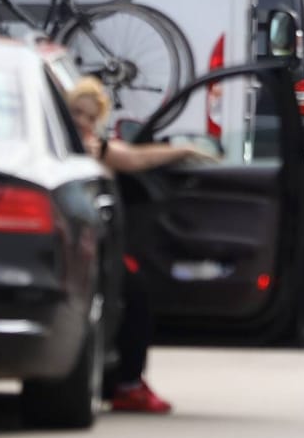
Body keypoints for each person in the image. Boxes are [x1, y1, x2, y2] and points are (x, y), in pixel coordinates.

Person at [66, 76, 211, 414]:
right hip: (78, 249)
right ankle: (128, 383)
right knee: (136, 295)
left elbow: (136, 157)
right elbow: (131, 158)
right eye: (76, 112)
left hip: (100, 247)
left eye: (89, 117)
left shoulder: (97, 148)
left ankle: (126, 380)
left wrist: (184, 150)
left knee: (138, 294)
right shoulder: (67, 148)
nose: (82, 122)